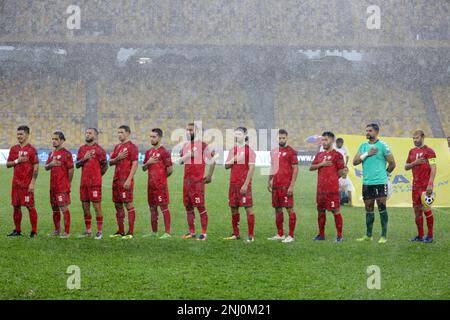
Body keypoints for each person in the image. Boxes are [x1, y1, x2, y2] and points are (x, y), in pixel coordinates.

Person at [353, 123, 396, 244]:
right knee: (369, 208)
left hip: (380, 182)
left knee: (382, 207)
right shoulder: (363, 146)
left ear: (376, 132)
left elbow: (392, 163)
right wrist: (367, 154)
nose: (367, 132)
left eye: (370, 130)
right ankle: (369, 235)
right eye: (366, 130)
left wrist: (385, 175)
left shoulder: (383, 146)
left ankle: (383, 235)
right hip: (367, 182)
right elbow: (355, 162)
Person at [178, 123, 216, 241]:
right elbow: (180, 161)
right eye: (187, 130)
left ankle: (204, 233)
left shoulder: (203, 145)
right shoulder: (185, 146)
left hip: (197, 182)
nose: (188, 132)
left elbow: (213, 160)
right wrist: (189, 155)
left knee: (200, 207)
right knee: (188, 207)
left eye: (191, 130)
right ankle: (192, 232)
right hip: (186, 182)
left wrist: (209, 175)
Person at [310, 131, 346, 243]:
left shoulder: (337, 155)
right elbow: (311, 167)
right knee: (320, 211)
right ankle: (321, 235)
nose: (324, 142)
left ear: (332, 140)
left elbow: (341, 172)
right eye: (323, 140)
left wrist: (333, 179)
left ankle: (339, 236)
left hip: (332, 189)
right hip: (320, 189)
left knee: (335, 210)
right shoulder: (320, 155)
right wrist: (322, 164)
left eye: (326, 140)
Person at [224, 127, 257, 243]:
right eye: (235, 134)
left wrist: (245, 184)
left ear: (245, 135)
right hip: (233, 184)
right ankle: (236, 234)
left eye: (239, 134)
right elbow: (226, 166)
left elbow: (252, 168)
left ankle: (250, 236)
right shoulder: (232, 150)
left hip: (244, 185)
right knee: (233, 209)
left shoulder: (250, 151)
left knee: (248, 209)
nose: (237, 136)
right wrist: (234, 159)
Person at [6, 125, 39, 238]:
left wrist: (32, 183)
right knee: (16, 206)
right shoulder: (14, 149)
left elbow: (36, 166)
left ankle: (34, 231)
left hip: (26, 185)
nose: (19, 136)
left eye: (21, 134)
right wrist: (17, 161)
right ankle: (17, 230)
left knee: (30, 206)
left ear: (27, 135)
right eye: (18, 134)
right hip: (16, 184)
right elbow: (8, 164)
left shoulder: (32, 150)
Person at [267, 129, 298, 243]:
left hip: (286, 186)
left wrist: (291, 185)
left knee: (289, 209)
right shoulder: (274, 151)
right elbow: (272, 167)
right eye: (279, 138)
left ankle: (291, 235)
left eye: (283, 138)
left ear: (287, 138)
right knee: (277, 209)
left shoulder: (291, 152)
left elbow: (295, 169)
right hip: (276, 185)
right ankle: (280, 234)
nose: (281, 140)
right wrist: (269, 180)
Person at [76, 128, 108, 240]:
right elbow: (77, 164)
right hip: (84, 183)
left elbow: (105, 165)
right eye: (87, 133)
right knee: (85, 207)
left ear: (95, 135)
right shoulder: (82, 149)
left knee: (96, 206)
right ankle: (88, 230)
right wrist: (84, 159)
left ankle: (99, 231)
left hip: (95, 184)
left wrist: (98, 176)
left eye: (90, 133)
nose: (87, 135)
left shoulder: (100, 150)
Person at [405, 130, 437, 243]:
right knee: (417, 211)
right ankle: (420, 235)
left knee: (426, 210)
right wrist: (415, 163)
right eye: (413, 138)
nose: (414, 140)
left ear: (423, 137)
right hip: (415, 186)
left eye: (417, 138)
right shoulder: (411, 152)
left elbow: (433, 167)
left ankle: (430, 236)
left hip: (425, 186)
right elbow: (406, 166)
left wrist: (430, 183)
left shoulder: (430, 151)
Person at [142, 128, 173, 239]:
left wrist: (161, 180)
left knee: (164, 207)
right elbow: (143, 168)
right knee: (152, 208)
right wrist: (148, 163)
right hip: (150, 186)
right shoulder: (148, 152)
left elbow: (170, 170)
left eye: (154, 136)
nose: (151, 138)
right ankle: (154, 232)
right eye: (150, 136)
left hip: (160, 186)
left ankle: (167, 232)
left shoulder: (164, 152)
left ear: (159, 137)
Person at [109, 125, 139, 240]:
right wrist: (117, 158)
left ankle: (130, 232)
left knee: (128, 204)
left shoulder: (132, 147)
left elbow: (135, 164)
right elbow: (110, 162)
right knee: (117, 205)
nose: (119, 134)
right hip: (116, 180)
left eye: (121, 132)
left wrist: (129, 179)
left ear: (128, 133)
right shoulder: (117, 147)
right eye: (118, 132)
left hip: (125, 180)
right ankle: (120, 231)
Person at [45, 131, 74, 238]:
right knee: (55, 209)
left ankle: (66, 232)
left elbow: (71, 169)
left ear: (62, 140)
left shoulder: (66, 154)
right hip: (53, 186)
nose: (54, 141)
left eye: (56, 139)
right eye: (53, 139)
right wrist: (51, 164)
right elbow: (46, 167)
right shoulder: (51, 153)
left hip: (62, 186)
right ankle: (57, 230)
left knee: (64, 208)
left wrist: (68, 183)